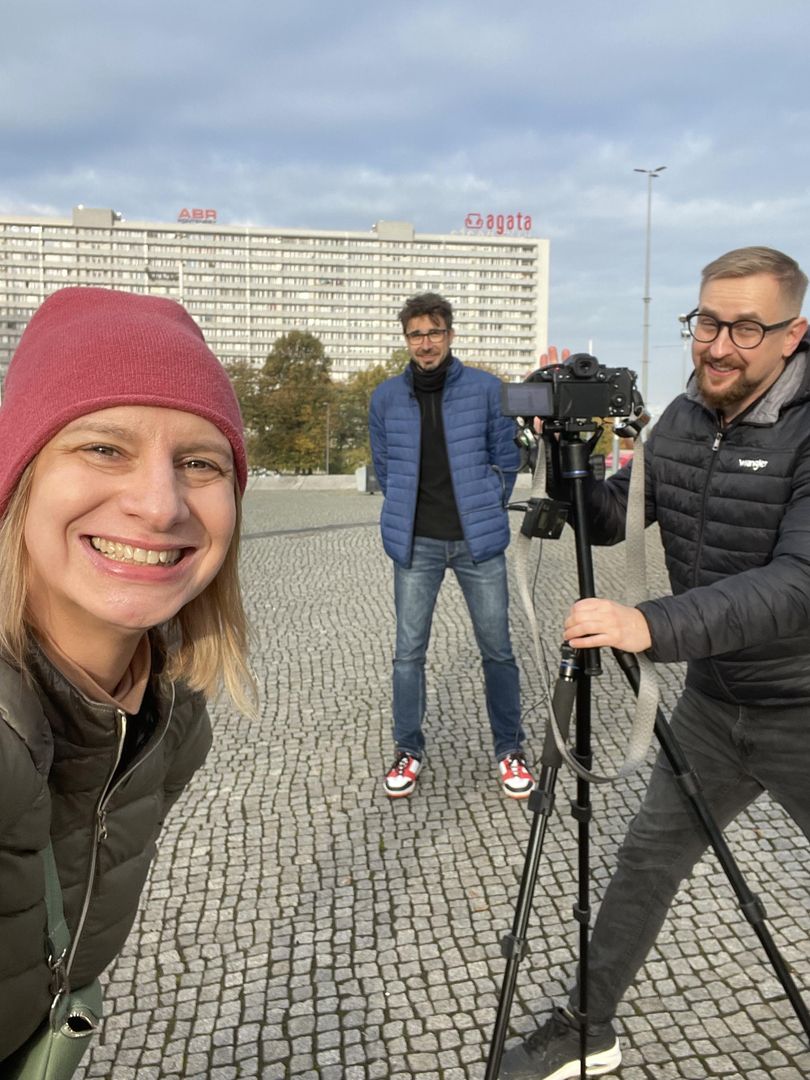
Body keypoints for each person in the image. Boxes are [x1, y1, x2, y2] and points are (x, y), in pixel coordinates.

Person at [499, 246, 810, 1079]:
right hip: (714, 704)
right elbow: (613, 520)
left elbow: (799, 582)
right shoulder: (680, 418)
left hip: (804, 704)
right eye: (708, 321)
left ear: (794, 333)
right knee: (645, 862)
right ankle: (589, 1026)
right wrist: (565, 463)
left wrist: (648, 624)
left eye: (748, 326)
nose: (718, 344)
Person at [0, 286, 254, 1068]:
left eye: (199, 462)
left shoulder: (172, 718)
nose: (158, 504)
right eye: (103, 447)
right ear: (21, 480)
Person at [369, 291, 532, 799]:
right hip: (415, 543)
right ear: (407, 340)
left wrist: (486, 500)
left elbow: (507, 460)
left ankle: (510, 750)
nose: (425, 343)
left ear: (450, 335)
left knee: (498, 651)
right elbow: (386, 463)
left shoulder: (486, 389)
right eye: (416, 334)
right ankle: (408, 749)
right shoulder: (385, 397)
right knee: (407, 654)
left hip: (476, 542)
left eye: (434, 332)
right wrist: (402, 504)